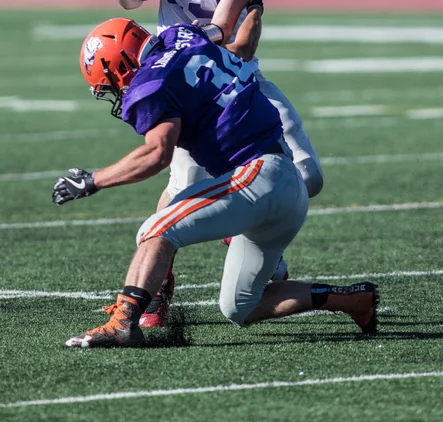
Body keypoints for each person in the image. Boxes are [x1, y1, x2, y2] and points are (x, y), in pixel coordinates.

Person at [52, 17, 378, 348]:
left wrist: (92, 181)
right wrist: (252, 4)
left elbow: (157, 153)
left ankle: (123, 321)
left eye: (110, 85)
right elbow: (226, 34)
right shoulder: (183, 35)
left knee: (155, 230)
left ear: (119, 66)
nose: (116, 93)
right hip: (287, 184)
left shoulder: (149, 82)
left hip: (258, 175)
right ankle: (352, 301)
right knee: (239, 306)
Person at [105, 0, 324, 326]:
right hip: (182, 78)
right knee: (182, 187)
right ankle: (153, 294)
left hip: (230, 67)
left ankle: (247, 231)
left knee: (309, 177)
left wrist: (197, 42)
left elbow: (233, 28)